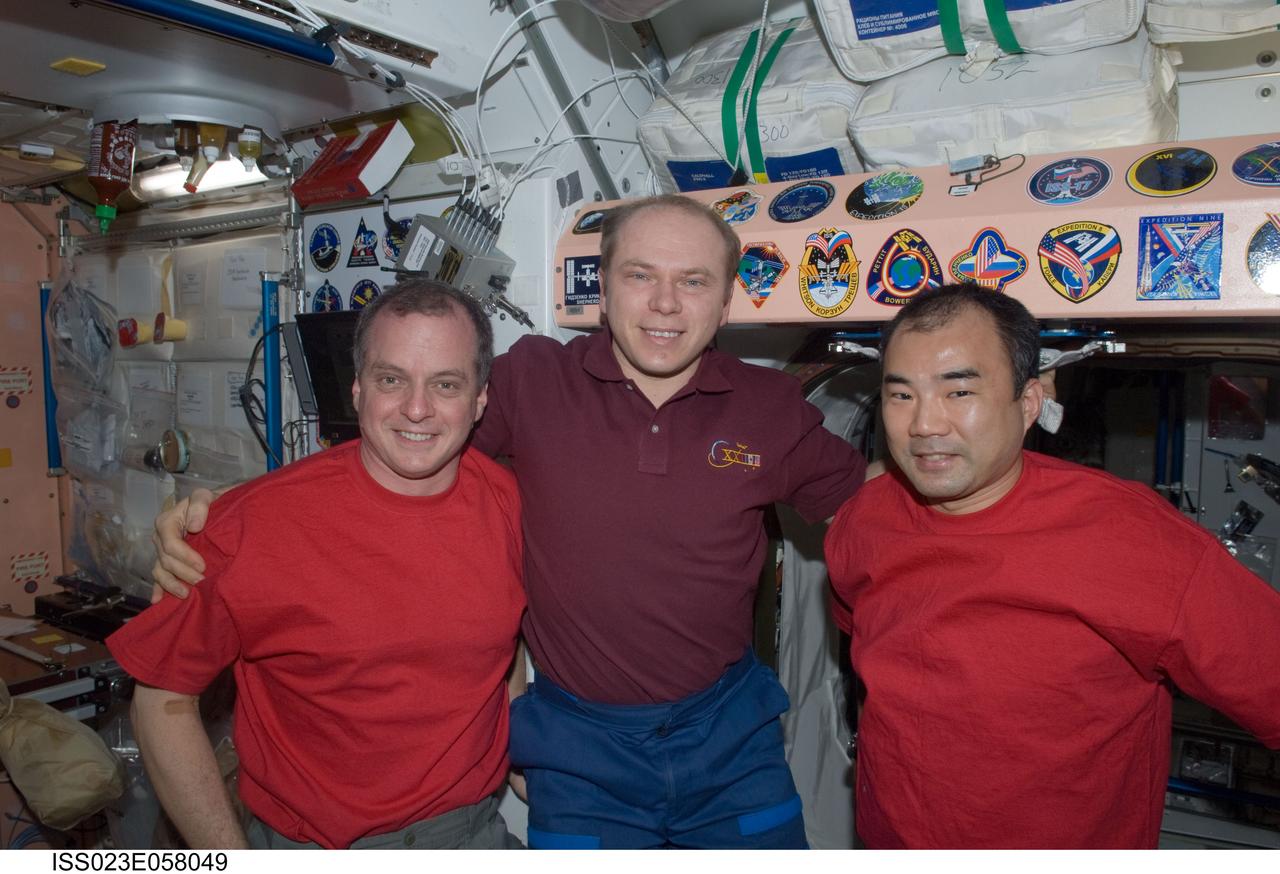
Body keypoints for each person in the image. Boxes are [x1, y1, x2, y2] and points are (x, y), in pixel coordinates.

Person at [153, 194, 868, 848]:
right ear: (602, 284)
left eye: (693, 281)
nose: (663, 304)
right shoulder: (532, 381)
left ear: (725, 301)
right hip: (582, 752)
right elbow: (407, 450)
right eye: (640, 275)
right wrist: (227, 515)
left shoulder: (768, 408)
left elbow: (867, 507)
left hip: (729, 741)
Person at [824, 282, 1280, 848]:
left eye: (959, 391)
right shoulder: (863, 519)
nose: (924, 426)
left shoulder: (1133, 539)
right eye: (901, 395)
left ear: (1029, 403)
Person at [109, 281, 526, 849]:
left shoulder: (509, 502)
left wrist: (530, 757)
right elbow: (159, 702)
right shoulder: (243, 528)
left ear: (479, 399)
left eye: (446, 384)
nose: (417, 408)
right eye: (391, 379)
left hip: (471, 835)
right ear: (356, 390)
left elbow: (506, 644)